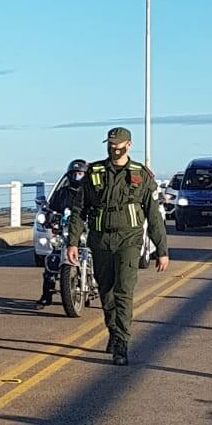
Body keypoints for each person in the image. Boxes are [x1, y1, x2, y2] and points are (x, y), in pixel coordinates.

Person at [67, 127, 169, 365]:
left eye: (118, 145)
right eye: (110, 145)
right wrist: (72, 242)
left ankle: (121, 344)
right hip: (101, 240)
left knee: (124, 291)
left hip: (129, 241)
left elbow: (153, 216)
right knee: (107, 293)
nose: (114, 149)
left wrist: (161, 251)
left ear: (129, 145)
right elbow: (79, 210)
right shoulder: (94, 173)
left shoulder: (141, 175)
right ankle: (114, 331)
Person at [36, 159, 88, 307]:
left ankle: (102, 290)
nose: (77, 177)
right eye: (74, 174)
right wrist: (50, 216)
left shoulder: (90, 193)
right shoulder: (61, 193)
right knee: (52, 261)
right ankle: (46, 295)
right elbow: (52, 208)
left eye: (80, 174)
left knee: (100, 257)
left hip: (84, 232)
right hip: (64, 233)